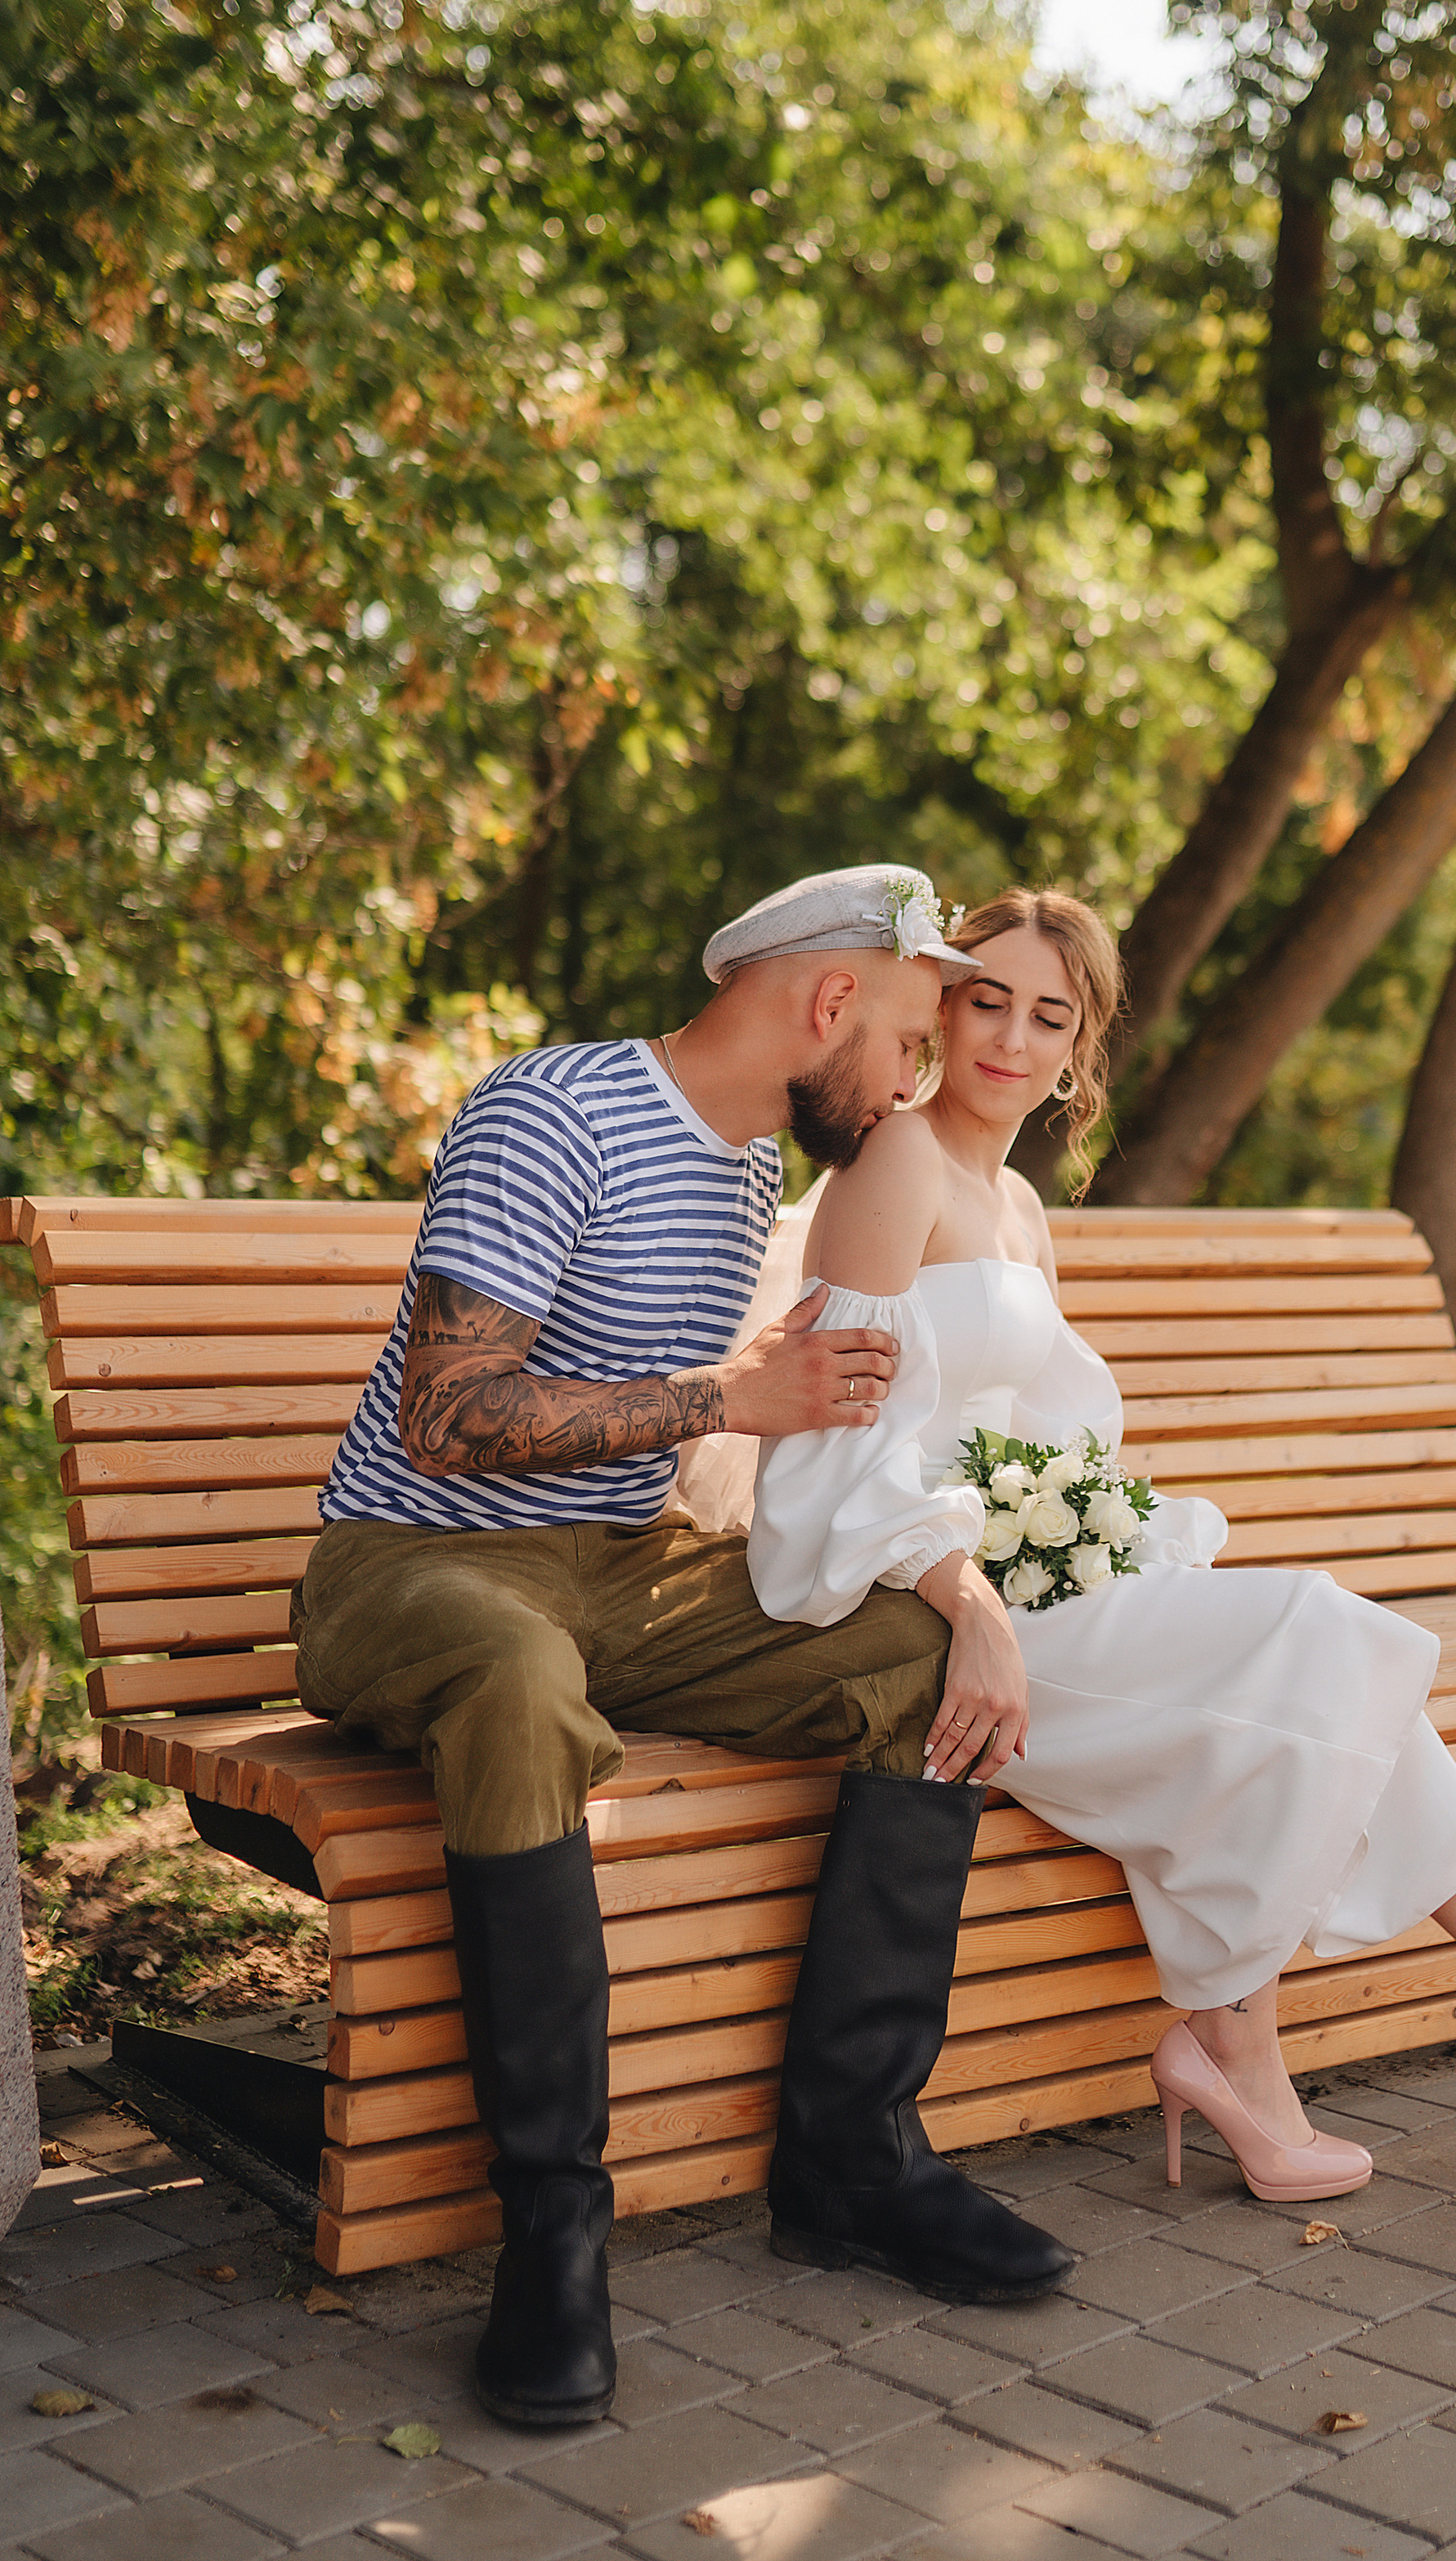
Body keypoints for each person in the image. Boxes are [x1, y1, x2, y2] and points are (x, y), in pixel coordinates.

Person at [750, 888, 1456, 2205]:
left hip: (1032, 1593)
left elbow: (1026, 1438)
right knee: (1320, 1637)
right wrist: (976, 1599)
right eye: (986, 999)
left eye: (1049, 1014)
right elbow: (838, 1439)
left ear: (1081, 1048)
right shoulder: (894, 1166)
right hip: (927, 1612)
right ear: (942, 1005)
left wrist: (1092, 1538)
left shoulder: (1014, 1203)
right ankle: (1446, 2037)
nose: (1011, 1036)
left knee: (1340, 1685)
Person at [293, 865, 1074, 2435]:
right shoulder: (553, 1111)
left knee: (914, 1667)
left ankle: (853, 2158)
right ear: (832, 1001)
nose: (922, 1078)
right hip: (415, 1563)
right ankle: (555, 2224)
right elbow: (447, 1422)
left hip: (619, 1570)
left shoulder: (744, 1168)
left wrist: (932, 1551)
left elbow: (693, 1414)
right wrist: (728, 1397)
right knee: (523, 1685)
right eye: (916, 1034)